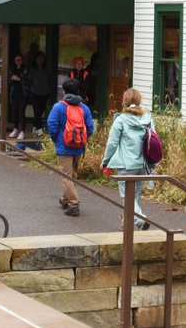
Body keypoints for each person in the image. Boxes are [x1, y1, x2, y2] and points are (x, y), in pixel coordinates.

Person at [99, 87, 152, 230]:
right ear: (139, 101)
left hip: (126, 165)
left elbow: (112, 143)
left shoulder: (121, 120)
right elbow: (153, 140)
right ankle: (127, 223)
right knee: (135, 195)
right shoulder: (147, 119)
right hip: (142, 164)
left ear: (124, 102)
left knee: (127, 196)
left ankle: (140, 220)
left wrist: (105, 161)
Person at [47, 78, 95, 217]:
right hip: (79, 147)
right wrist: (82, 140)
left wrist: (57, 140)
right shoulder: (84, 108)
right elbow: (90, 128)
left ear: (64, 90)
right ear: (78, 91)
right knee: (72, 174)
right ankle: (65, 199)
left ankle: (73, 204)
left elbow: (52, 125)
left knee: (66, 176)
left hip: (64, 147)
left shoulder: (59, 107)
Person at [27, 51, 51, 137]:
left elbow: (48, 81)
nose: (40, 60)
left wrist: (48, 91)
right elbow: (29, 80)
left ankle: (34, 126)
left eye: (42, 58)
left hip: (44, 93)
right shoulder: (32, 69)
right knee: (36, 111)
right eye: (38, 58)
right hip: (35, 93)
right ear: (35, 59)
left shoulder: (45, 69)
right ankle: (39, 128)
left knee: (41, 111)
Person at [6, 52, 29, 139]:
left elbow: (28, 81)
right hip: (14, 93)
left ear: (22, 60)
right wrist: (12, 78)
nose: (18, 61)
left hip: (23, 94)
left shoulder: (26, 69)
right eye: (16, 60)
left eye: (20, 60)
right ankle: (15, 129)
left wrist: (19, 79)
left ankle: (22, 131)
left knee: (21, 112)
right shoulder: (12, 69)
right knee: (14, 112)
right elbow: (9, 81)